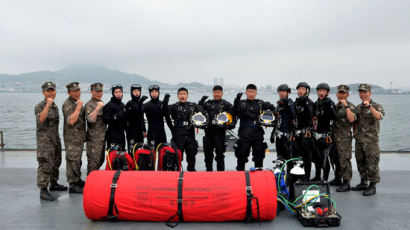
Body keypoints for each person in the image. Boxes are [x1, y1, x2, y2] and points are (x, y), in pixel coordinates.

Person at [35, 82, 67, 201]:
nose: (51, 93)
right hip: (45, 142)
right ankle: (43, 190)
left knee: (56, 162)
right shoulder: (40, 106)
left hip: (55, 139)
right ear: (43, 92)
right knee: (45, 164)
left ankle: (54, 183)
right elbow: (41, 119)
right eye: (48, 91)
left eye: (52, 90)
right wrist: (47, 105)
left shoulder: (55, 106)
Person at [232, 84, 275, 171]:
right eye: (249, 92)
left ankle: (258, 177)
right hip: (244, 133)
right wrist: (236, 101)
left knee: (259, 155)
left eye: (253, 92)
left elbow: (273, 108)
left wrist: (269, 119)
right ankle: (240, 177)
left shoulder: (260, 103)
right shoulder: (241, 103)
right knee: (241, 156)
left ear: (256, 93)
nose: (251, 94)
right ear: (246, 92)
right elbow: (233, 113)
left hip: (257, 133)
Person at [352, 84, 385, 196]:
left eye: (365, 92)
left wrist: (370, 106)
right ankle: (363, 182)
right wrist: (355, 134)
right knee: (360, 161)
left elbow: (379, 117)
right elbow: (354, 122)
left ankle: (372, 185)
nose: (363, 94)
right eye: (361, 92)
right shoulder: (357, 107)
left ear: (370, 93)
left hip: (371, 142)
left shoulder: (377, 106)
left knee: (372, 163)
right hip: (359, 140)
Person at [163, 87, 206, 171]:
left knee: (191, 155)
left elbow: (203, 114)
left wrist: (201, 125)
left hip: (190, 133)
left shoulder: (192, 105)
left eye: (184, 94)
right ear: (178, 96)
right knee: (177, 156)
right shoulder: (175, 106)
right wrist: (166, 100)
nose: (182, 95)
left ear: (187, 95)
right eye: (180, 94)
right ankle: (177, 173)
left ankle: (191, 172)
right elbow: (164, 111)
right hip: (178, 134)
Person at [199, 85, 234, 171]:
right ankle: (209, 172)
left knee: (220, 156)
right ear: (213, 93)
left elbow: (233, 115)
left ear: (222, 93)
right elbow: (198, 111)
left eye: (218, 92)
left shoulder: (226, 104)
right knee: (208, 156)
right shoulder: (208, 103)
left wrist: (230, 125)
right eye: (215, 92)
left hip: (220, 134)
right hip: (208, 133)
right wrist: (201, 101)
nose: (217, 94)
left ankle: (220, 174)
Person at [62, 82, 86, 193]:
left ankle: (77, 179)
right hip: (71, 138)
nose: (77, 93)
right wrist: (79, 107)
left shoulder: (76, 102)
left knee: (77, 160)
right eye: (74, 91)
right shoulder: (68, 104)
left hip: (79, 138)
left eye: (78, 90)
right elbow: (71, 121)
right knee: (72, 160)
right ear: (69, 92)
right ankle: (72, 184)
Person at [312, 83, 337, 182]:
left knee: (324, 158)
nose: (321, 93)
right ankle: (317, 176)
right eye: (319, 90)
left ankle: (325, 178)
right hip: (316, 135)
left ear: (327, 92)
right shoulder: (316, 103)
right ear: (317, 92)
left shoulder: (329, 103)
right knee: (317, 157)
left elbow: (335, 117)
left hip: (326, 136)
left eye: (323, 91)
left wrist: (329, 108)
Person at [333, 85, 356, 192]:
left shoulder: (350, 107)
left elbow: (351, 120)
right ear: (337, 94)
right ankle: (338, 178)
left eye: (343, 93)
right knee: (336, 159)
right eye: (340, 93)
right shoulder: (335, 106)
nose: (341, 95)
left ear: (347, 95)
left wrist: (346, 106)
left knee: (345, 159)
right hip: (334, 137)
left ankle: (346, 182)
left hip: (344, 138)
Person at [293, 82, 315, 180]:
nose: (300, 91)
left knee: (307, 157)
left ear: (307, 91)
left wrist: (305, 102)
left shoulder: (309, 102)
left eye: (302, 89)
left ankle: (307, 177)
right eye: (299, 89)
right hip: (296, 134)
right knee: (297, 156)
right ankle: (297, 176)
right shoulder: (295, 102)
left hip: (306, 134)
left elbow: (311, 116)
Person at [85, 82, 106, 175]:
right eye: (96, 91)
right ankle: (90, 182)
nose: (98, 93)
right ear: (91, 92)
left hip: (102, 138)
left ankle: (94, 181)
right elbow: (90, 119)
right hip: (93, 140)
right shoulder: (89, 105)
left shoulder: (102, 103)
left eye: (100, 91)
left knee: (101, 160)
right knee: (93, 163)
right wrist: (97, 108)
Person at [271, 84, 296, 161]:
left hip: (287, 137)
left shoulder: (291, 103)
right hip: (279, 137)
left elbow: (294, 116)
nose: (281, 93)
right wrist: (272, 134)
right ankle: (281, 173)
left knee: (289, 160)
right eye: (280, 91)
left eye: (283, 92)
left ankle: (289, 173)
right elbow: (277, 121)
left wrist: (288, 103)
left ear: (288, 93)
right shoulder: (279, 105)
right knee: (279, 159)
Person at [143, 85, 168, 149]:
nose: (154, 94)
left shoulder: (162, 104)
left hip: (162, 133)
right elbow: (138, 115)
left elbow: (168, 118)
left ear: (158, 93)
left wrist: (173, 130)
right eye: (152, 92)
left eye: (156, 92)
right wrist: (143, 130)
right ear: (150, 93)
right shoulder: (146, 105)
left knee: (163, 155)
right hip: (151, 133)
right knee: (152, 155)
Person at [103, 84, 127, 150]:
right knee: (113, 157)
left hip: (122, 135)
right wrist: (117, 116)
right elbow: (106, 120)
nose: (118, 94)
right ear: (113, 93)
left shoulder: (123, 105)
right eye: (116, 92)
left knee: (122, 156)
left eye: (120, 92)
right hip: (112, 135)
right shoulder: (108, 105)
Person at [125, 84, 148, 151]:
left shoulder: (141, 104)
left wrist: (144, 130)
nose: (136, 93)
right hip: (131, 132)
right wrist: (140, 102)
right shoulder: (129, 103)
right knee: (132, 151)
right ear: (131, 92)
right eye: (134, 91)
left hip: (139, 132)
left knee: (140, 151)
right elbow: (134, 114)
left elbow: (141, 117)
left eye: (138, 91)